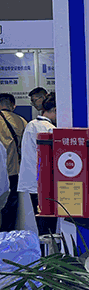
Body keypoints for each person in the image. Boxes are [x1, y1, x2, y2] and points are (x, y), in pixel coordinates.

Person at [18, 92, 57, 236]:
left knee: (41, 223)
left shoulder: (31, 125)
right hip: (45, 184)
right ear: (55, 109)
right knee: (49, 226)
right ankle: (48, 250)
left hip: (32, 182)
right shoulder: (49, 129)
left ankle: (43, 249)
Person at [0, 93, 28, 232]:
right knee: (10, 206)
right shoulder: (21, 121)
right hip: (13, 170)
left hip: (1, 170)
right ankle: (6, 234)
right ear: (12, 105)